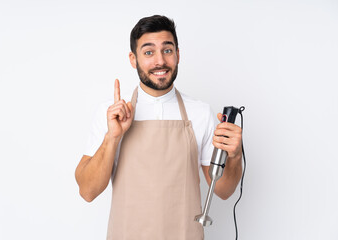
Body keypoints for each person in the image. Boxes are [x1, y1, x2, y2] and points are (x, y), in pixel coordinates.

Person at [75, 15, 243, 239]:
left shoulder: (200, 113)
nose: (160, 61)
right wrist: (112, 137)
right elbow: (87, 191)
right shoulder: (111, 113)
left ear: (178, 55)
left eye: (167, 50)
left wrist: (234, 155)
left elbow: (223, 191)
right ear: (133, 59)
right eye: (148, 52)